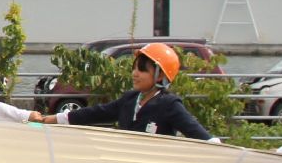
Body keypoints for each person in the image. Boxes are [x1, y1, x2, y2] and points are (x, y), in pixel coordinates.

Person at [45, 42, 214, 140]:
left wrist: (219, 148)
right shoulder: (130, 99)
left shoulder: (169, 104)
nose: (134, 73)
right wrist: (53, 119)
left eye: (142, 69)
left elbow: (198, 134)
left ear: (160, 74)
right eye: (134, 68)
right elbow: (94, 113)